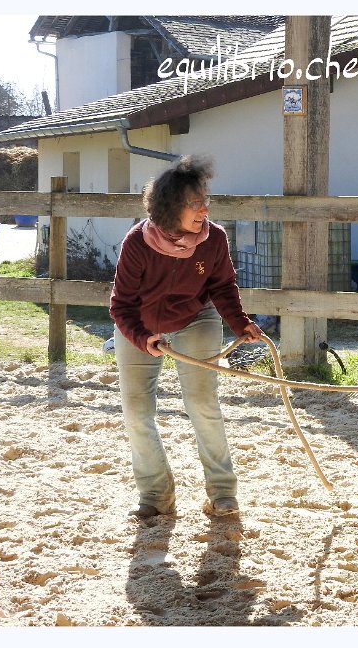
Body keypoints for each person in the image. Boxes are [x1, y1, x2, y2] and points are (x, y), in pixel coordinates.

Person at [110, 156, 262, 519]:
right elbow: (121, 305)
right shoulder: (137, 243)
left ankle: (223, 493)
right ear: (170, 207)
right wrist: (144, 338)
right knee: (136, 412)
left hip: (196, 319)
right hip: (140, 326)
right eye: (195, 203)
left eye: (205, 199)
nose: (204, 208)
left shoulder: (214, 239)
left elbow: (222, 285)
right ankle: (155, 496)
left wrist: (240, 323)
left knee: (202, 403)